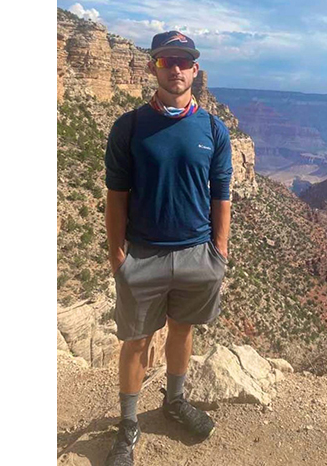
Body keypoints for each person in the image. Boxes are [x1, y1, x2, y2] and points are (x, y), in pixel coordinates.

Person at [103, 30, 233, 466]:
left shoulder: (213, 129)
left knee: (182, 330)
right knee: (136, 341)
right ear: (151, 67)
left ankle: (174, 402)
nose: (175, 69)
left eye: (183, 61)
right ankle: (129, 424)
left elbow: (222, 194)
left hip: (198, 254)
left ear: (196, 70)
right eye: (166, 61)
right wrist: (117, 256)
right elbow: (116, 195)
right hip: (142, 254)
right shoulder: (130, 126)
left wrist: (220, 251)